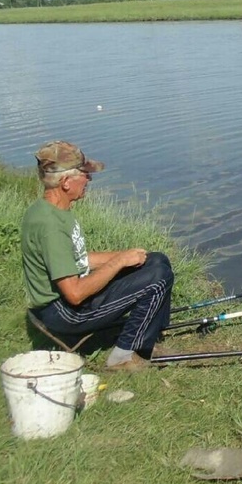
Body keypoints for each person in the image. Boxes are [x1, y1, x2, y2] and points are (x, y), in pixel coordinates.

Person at [20, 141, 175, 372]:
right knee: (159, 277)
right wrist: (120, 262)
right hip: (65, 314)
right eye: (85, 175)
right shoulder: (50, 226)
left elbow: (77, 259)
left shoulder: (52, 210)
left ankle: (150, 337)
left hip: (67, 302)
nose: (89, 180)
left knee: (156, 260)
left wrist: (127, 256)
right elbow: (74, 294)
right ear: (65, 182)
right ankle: (122, 356)